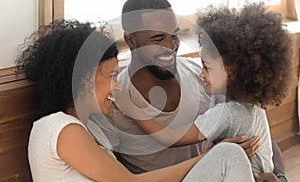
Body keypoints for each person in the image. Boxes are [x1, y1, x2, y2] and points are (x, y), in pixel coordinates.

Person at [16, 20, 256, 181]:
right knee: (228, 155)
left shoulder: (90, 130)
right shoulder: (60, 128)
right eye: (111, 76)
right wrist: (209, 157)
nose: (118, 85)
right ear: (83, 79)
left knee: (229, 155)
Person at [88, 0, 287, 182]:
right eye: (158, 39)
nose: (171, 46)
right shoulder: (111, 102)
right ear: (130, 40)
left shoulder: (207, 79)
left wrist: (279, 177)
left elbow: (264, 142)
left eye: (175, 36)